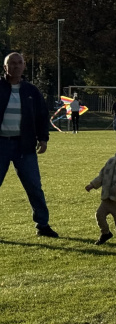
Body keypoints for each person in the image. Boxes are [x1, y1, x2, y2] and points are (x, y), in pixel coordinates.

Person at [0, 52, 58, 238]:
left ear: (24, 66)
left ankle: (43, 225)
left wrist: (43, 138)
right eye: (12, 63)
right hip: (1, 145)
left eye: (19, 63)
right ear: (5, 67)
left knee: (34, 186)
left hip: (24, 146)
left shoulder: (32, 91)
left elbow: (42, 116)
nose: (16, 66)